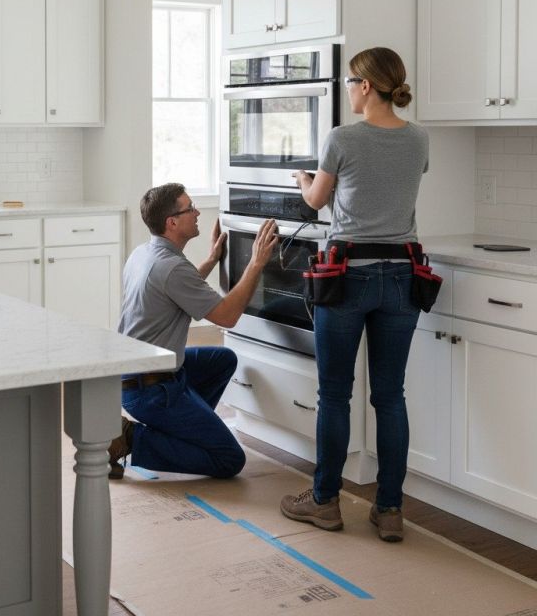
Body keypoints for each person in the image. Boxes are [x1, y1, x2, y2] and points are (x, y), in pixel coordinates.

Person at [279, 46, 429, 542]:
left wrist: (304, 180)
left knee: (335, 395)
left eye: (349, 82)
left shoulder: (342, 138)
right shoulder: (419, 138)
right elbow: (390, 190)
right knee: (390, 397)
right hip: (403, 275)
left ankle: (324, 502)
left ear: (366, 86)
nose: (347, 90)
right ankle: (389, 510)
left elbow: (318, 201)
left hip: (347, 276)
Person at [108, 182, 278, 480]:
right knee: (229, 459)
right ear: (172, 222)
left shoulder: (145, 254)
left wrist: (212, 259)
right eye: (190, 208)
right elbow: (227, 317)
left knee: (222, 360)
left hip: (135, 374)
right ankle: (131, 439)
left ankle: (183, 430)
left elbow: (180, 290)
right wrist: (256, 262)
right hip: (150, 389)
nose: (197, 212)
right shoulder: (172, 267)